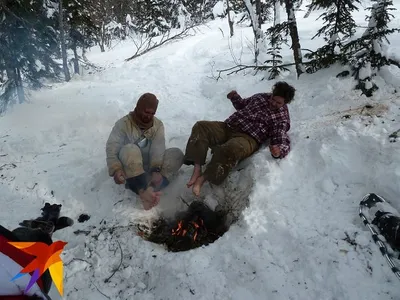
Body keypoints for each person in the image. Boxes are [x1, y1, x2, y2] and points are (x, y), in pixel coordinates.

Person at [183, 81, 296, 196]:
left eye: (278, 103)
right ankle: (197, 168)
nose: (273, 103)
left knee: (229, 149)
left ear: (285, 103)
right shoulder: (260, 97)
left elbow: (281, 137)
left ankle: (204, 178)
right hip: (229, 127)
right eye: (273, 99)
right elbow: (243, 105)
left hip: (248, 138)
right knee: (201, 127)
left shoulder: (282, 117)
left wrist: (278, 152)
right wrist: (234, 97)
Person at [106, 92, 184, 210]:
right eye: (146, 112)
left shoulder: (157, 125)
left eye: (152, 113)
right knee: (130, 149)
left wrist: (156, 169)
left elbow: (158, 148)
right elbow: (112, 148)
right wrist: (116, 169)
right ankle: (142, 191)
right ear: (138, 108)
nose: (149, 116)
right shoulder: (123, 124)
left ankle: (151, 189)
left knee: (176, 154)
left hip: (149, 166)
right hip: (130, 167)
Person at [0, 203, 73, 300]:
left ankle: (44, 227)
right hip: (31, 282)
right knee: (42, 247)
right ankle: (46, 228)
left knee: (22, 237)